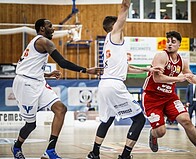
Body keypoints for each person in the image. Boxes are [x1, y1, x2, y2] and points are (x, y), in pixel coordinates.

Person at [11, 18, 101, 159]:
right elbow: (63, 63)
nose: (53, 29)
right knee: (31, 125)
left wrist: (48, 74)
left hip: (38, 81)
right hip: (25, 84)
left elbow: (29, 66)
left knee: (61, 109)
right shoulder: (44, 41)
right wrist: (86, 70)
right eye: (50, 26)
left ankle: (50, 151)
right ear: (42, 29)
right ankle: (16, 146)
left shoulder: (37, 43)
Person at [86, 1, 161, 159]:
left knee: (107, 120)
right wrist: (126, 6)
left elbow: (126, 67)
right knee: (139, 119)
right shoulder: (114, 36)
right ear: (114, 27)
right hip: (114, 84)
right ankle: (125, 155)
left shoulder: (109, 43)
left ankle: (94, 153)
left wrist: (146, 69)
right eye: (120, 26)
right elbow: (121, 18)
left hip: (105, 84)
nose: (123, 28)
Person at [142, 31, 196, 159]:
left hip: (169, 97)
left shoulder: (183, 61)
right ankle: (153, 134)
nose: (169, 44)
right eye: (168, 41)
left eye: (173, 42)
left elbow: (191, 77)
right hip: (152, 97)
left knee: (186, 120)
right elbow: (157, 78)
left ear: (179, 45)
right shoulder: (161, 56)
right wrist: (178, 78)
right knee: (161, 131)